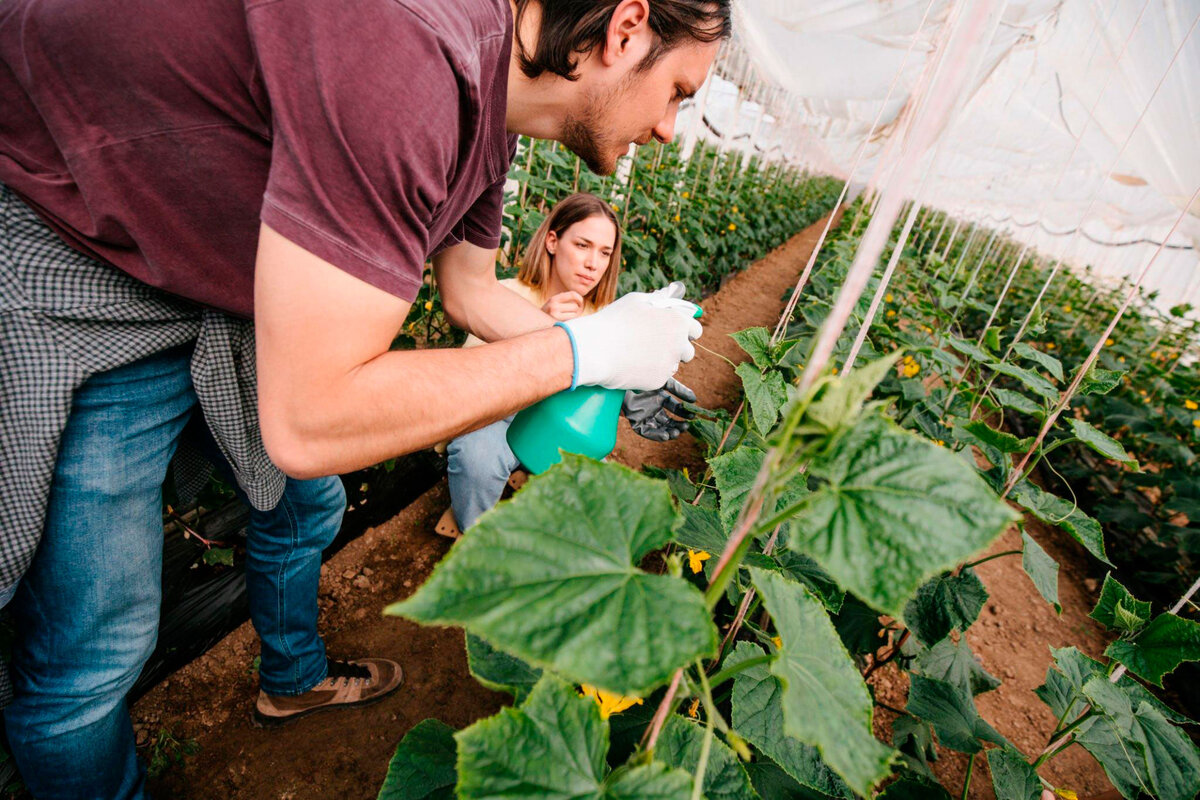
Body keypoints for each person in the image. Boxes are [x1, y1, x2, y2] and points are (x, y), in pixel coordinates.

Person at [0, 0, 728, 796]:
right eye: (679, 92)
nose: (669, 127)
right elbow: (311, 422)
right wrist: (584, 349)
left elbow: (472, 294)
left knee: (306, 508)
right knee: (94, 650)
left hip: (218, 275)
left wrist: (609, 368)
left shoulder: (494, 114)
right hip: (79, 262)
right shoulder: (409, 45)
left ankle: (290, 677)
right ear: (626, 30)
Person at [439, 192, 695, 537]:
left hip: (553, 426)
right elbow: (468, 383)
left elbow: (591, 396)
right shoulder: (503, 296)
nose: (593, 263)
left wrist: (628, 394)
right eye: (583, 245)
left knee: (596, 488)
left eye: (605, 253)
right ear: (552, 241)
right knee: (478, 459)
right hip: (494, 420)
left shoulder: (602, 318)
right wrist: (537, 331)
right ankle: (475, 536)